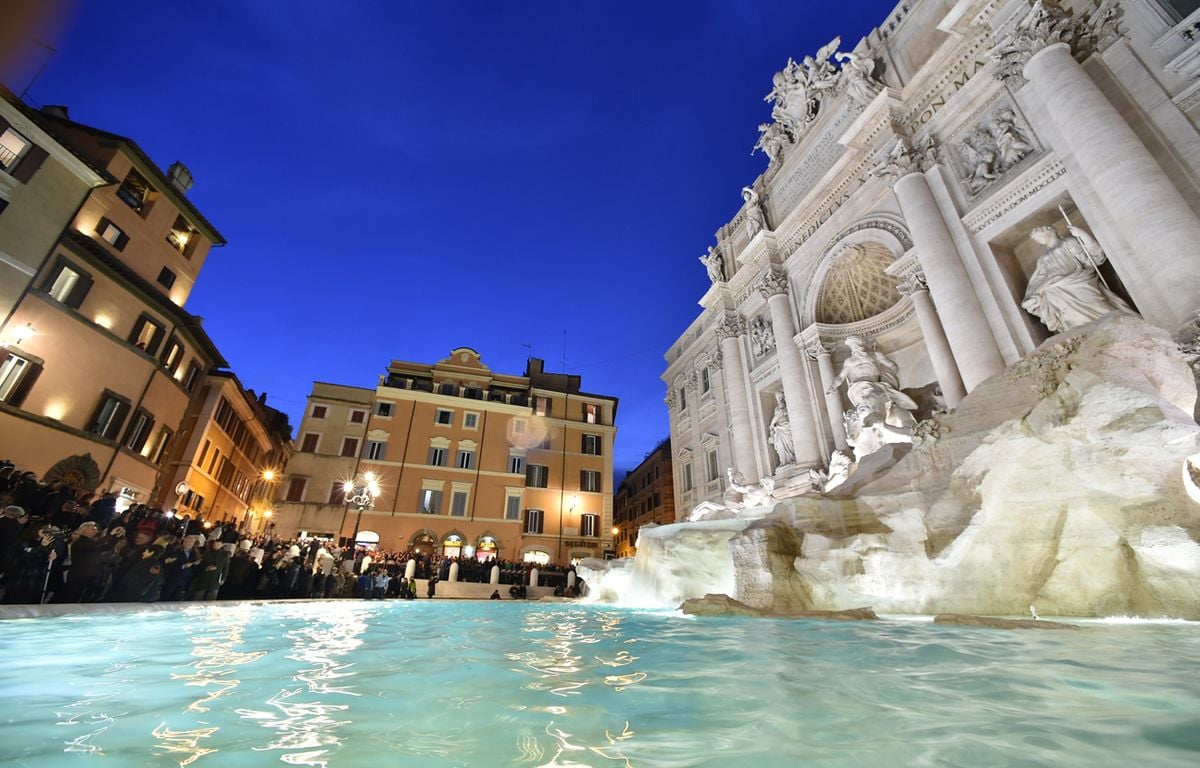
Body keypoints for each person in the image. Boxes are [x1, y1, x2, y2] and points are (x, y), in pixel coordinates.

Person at [1021, 225, 1135, 333]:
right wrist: (1033, 295)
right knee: (1071, 317)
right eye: (1036, 239)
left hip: (1078, 280)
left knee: (1099, 307)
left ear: (1049, 232)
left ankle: (1124, 327)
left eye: (1039, 236)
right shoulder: (1041, 258)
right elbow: (1039, 278)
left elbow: (1090, 260)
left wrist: (1085, 236)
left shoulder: (1068, 242)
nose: (1038, 240)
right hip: (1053, 288)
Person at [767, 392, 795, 467]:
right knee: (780, 445)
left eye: (780, 397)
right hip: (779, 428)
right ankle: (784, 461)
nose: (779, 399)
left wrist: (772, 424)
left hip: (785, 427)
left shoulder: (785, 407)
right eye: (777, 398)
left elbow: (778, 415)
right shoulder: (777, 408)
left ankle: (790, 459)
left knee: (788, 444)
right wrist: (772, 425)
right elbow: (777, 416)